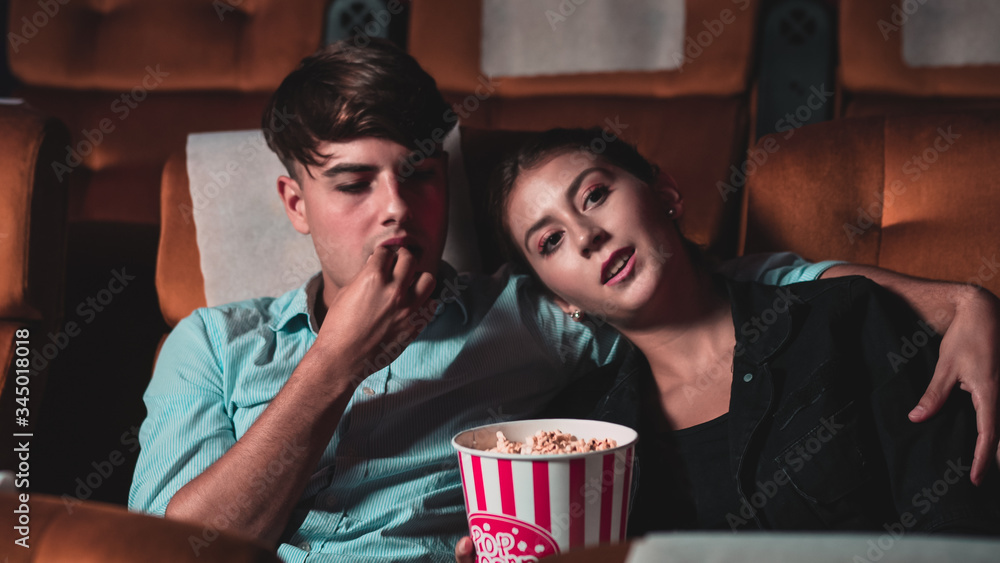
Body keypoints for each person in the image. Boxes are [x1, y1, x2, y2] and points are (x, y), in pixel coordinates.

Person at [128, 41, 1000, 562]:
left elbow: (717, 289)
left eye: (421, 177)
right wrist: (335, 362)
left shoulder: (535, 315)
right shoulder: (212, 344)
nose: (396, 209)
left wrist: (954, 300)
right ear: (294, 203)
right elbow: (165, 556)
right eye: (353, 184)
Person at [455, 127, 1000, 556]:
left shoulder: (846, 318)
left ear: (666, 193)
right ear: (559, 298)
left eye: (595, 195)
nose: (585, 236)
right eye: (550, 241)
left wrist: (968, 300)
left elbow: (956, 524)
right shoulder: (576, 436)